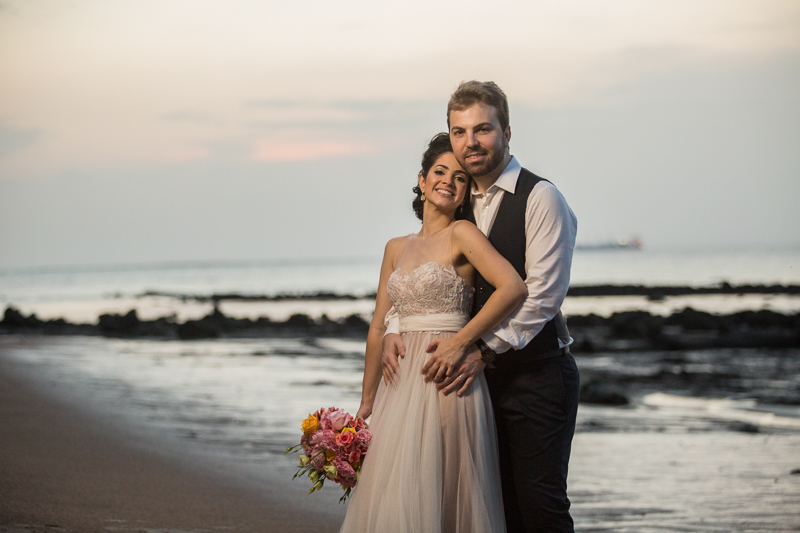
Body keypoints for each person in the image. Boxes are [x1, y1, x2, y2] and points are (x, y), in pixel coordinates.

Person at [383, 81, 580, 533]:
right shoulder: (457, 200)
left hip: (536, 376)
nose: (470, 142)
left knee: (540, 505)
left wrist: (480, 347)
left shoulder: (541, 197)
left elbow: (543, 294)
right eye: (459, 131)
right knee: (495, 507)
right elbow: (424, 268)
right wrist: (395, 323)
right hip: (475, 382)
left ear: (507, 132)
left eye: (482, 129)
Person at [339, 133, 527, 533]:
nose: (448, 181)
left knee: (443, 489)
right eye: (440, 172)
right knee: (393, 492)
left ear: (465, 194)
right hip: (398, 383)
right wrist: (367, 403)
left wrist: (464, 341)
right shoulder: (395, 247)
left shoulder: (463, 234)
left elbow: (513, 287)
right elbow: (378, 324)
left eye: (460, 178)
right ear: (422, 181)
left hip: (447, 379)